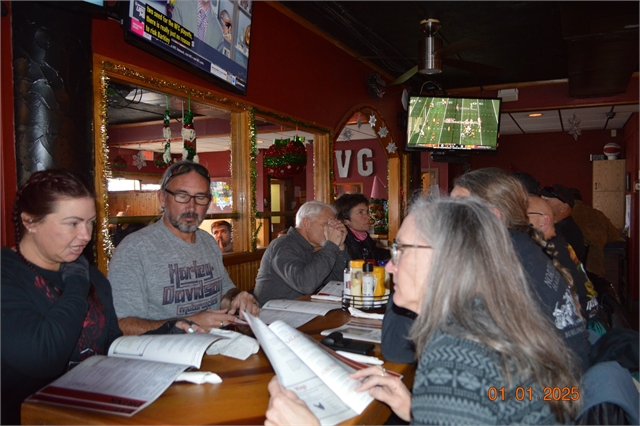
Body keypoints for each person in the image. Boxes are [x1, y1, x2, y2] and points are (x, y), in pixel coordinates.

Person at [265, 196, 582, 425]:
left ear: (446, 258)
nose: (389, 265)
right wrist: (416, 408)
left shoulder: (454, 356)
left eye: (401, 251)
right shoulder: (491, 317)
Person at [1, 169, 123, 425]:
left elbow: (112, 346)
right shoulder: (7, 275)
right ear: (30, 222)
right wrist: (77, 282)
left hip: (94, 414)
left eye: (90, 222)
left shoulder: (91, 275)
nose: (86, 236)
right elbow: (43, 357)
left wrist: (168, 332)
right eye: (73, 223)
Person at [451, 168, 591, 371]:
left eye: (458, 208)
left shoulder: (504, 265)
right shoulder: (522, 249)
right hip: (567, 374)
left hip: (552, 391)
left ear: (492, 217)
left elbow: (400, 345)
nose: (446, 215)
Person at [108, 161, 259, 335]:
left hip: (215, 347)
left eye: (200, 198)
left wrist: (237, 299)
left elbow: (224, 294)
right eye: (182, 195)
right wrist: (188, 323)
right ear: (162, 198)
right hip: (166, 356)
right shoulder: (133, 249)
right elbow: (121, 325)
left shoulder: (208, 242)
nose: (191, 207)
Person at [253, 201, 347, 306]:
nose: (332, 230)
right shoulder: (283, 245)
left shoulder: (318, 247)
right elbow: (305, 285)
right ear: (306, 223)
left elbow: (338, 282)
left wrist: (340, 248)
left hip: (305, 309)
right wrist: (331, 246)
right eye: (327, 224)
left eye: (333, 225)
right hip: (274, 315)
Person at [527, 195, 601, 328]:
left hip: (585, 326)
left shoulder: (547, 249)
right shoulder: (557, 241)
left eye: (524, 215)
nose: (518, 220)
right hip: (588, 316)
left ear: (543, 221)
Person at [569, 188, 623, 277]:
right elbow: (615, 236)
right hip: (596, 269)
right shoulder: (598, 215)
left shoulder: (564, 216)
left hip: (571, 271)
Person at [333, 193, 389, 262]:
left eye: (367, 212)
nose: (368, 217)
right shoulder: (342, 242)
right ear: (345, 220)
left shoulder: (364, 238)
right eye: (360, 212)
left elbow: (377, 254)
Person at [540, 183, 587, 264]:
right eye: (541, 200)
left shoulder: (569, 233)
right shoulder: (556, 227)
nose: (541, 204)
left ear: (563, 207)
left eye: (547, 201)